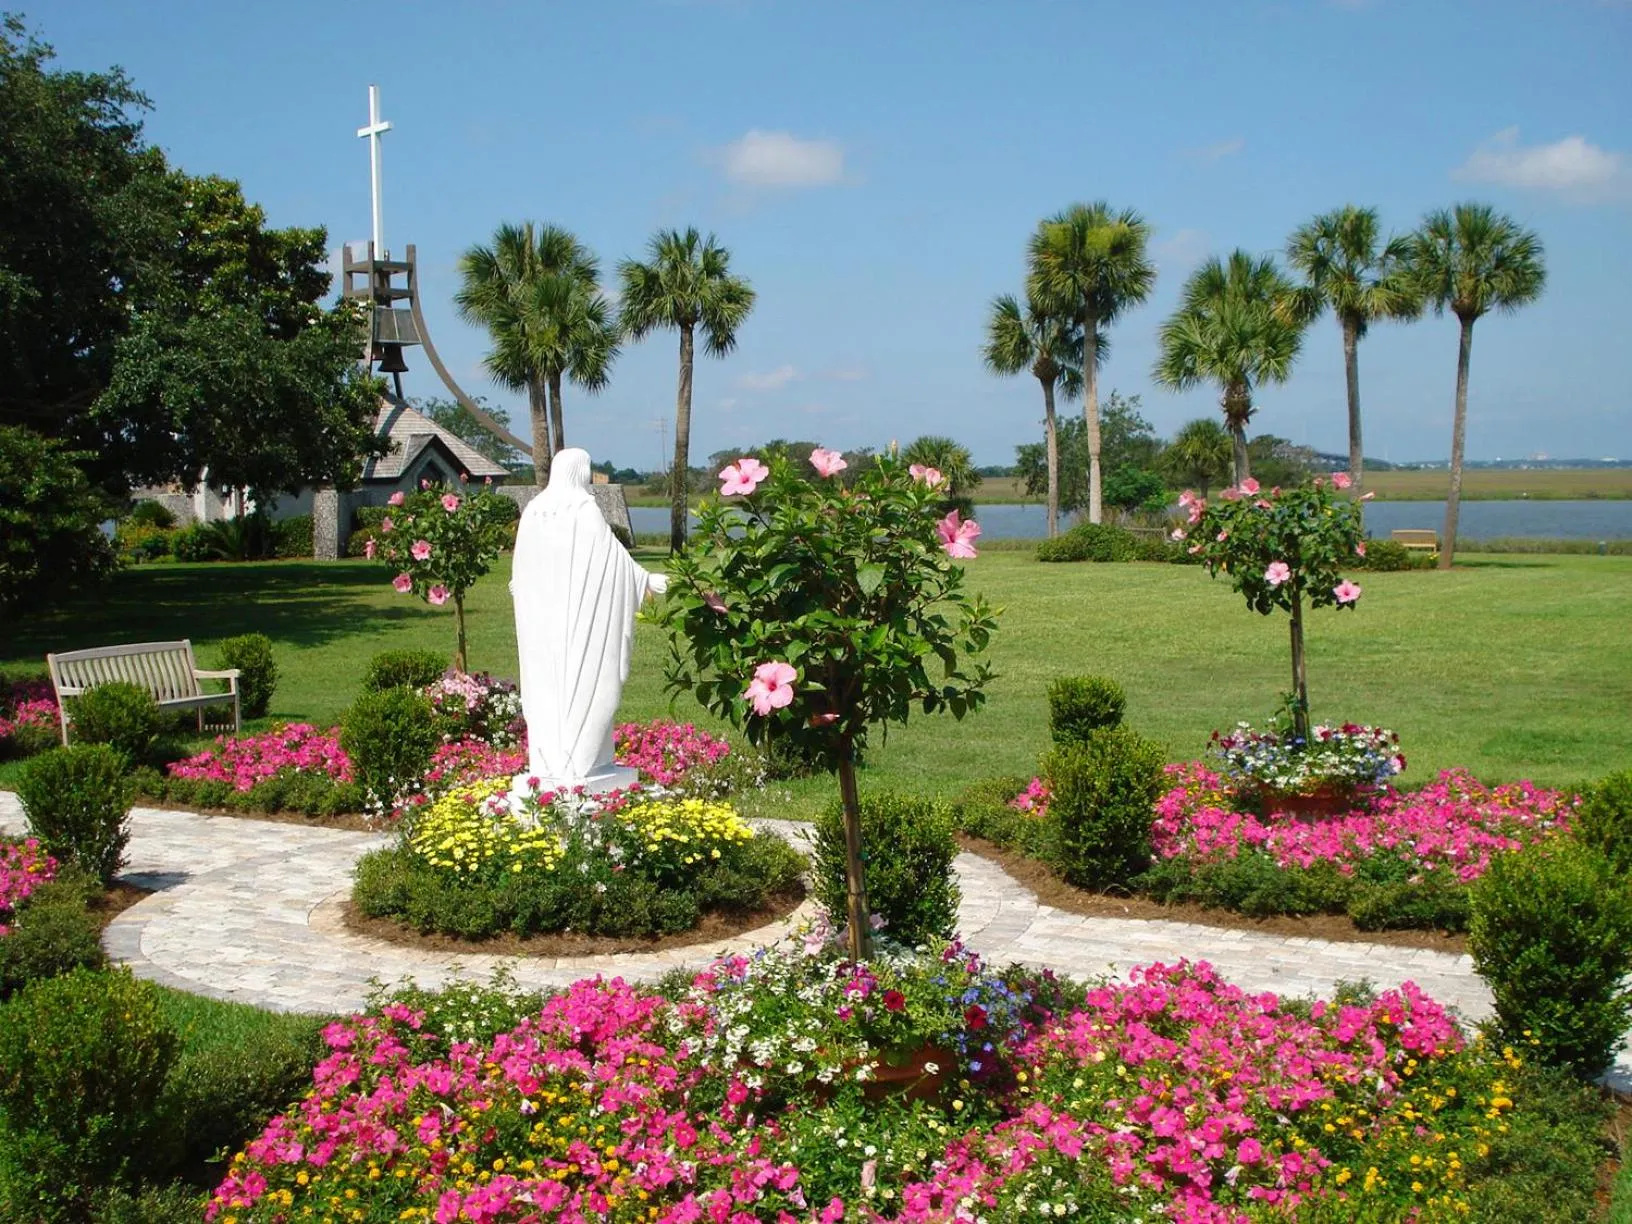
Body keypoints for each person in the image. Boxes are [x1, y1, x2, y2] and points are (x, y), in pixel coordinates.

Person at [509, 449, 666, 794]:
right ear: (580, 472)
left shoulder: (534, 510)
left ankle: (550, 762)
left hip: (541, 624)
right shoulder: (582, 509)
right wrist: (644, 580)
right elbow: (611, 560)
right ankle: (580, 761)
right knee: (587, 684)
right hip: (579, 623)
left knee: (548, 685)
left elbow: (519, 569)